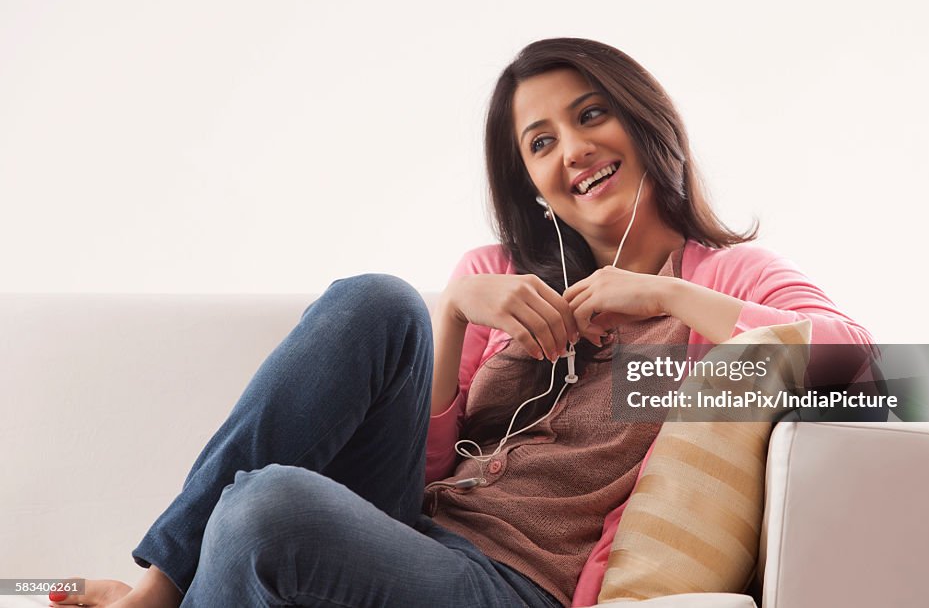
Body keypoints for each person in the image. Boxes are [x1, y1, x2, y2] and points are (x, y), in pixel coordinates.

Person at [55, 38, 871, 608]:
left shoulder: (722, 278)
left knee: (267, 510)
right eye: (541, 142)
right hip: (409, 534)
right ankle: (159, 589)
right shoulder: (498, 276)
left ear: (644, 121)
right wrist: (451, 315)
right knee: (380, 299)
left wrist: (667, 299)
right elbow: (424, 473)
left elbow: (873, 376)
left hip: (515, 583)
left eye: (592, 116)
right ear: (535, 185)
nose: (573, 151)